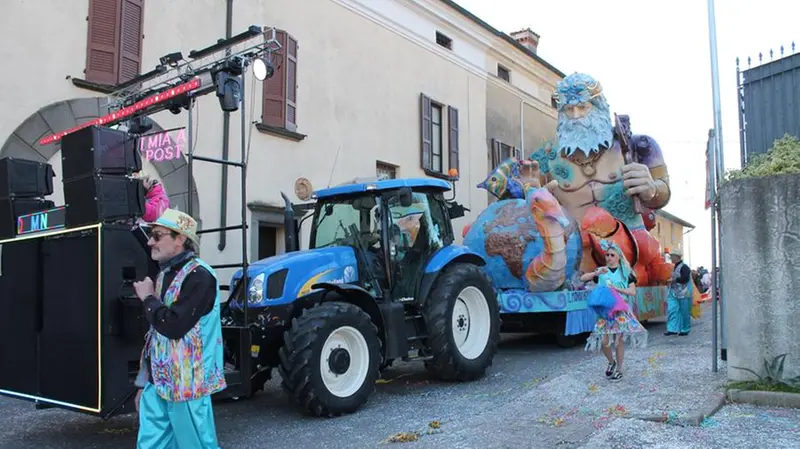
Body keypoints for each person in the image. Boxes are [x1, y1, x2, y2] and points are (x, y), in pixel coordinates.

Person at [132, 209, 226, 448]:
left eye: (157, 235)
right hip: (160, 382)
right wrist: (145, 382)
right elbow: (155, 336)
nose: (151, 241)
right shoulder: (166, 273)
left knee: (195, 444)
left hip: (187, 384)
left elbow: (173, 326)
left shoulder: (200, 277)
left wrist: (148, 299)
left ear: (180, 238)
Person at [581, 240, 648, 382]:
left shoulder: (626, 272)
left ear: (618, 256)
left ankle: (619, 370)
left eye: (612, 255)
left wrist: (617, 289)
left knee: (618, 342)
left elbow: (632, 292)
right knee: (604, 341)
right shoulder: (602, 271)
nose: (609, 257)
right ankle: (611, 362)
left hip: (620, 311)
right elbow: (583, 278)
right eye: (607, 255)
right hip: (605, 312)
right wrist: (596, 272)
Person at [665, 248, 692, 336]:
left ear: (676, 257)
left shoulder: (684, 267)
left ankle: (685, 328)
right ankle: (672, 329)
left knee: (684, 311)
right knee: (672, 310)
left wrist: (674, 280)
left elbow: (685, 278)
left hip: (683, 293)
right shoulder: (675, 266)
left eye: (671, 256)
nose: (671, 258)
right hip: (674, 292)